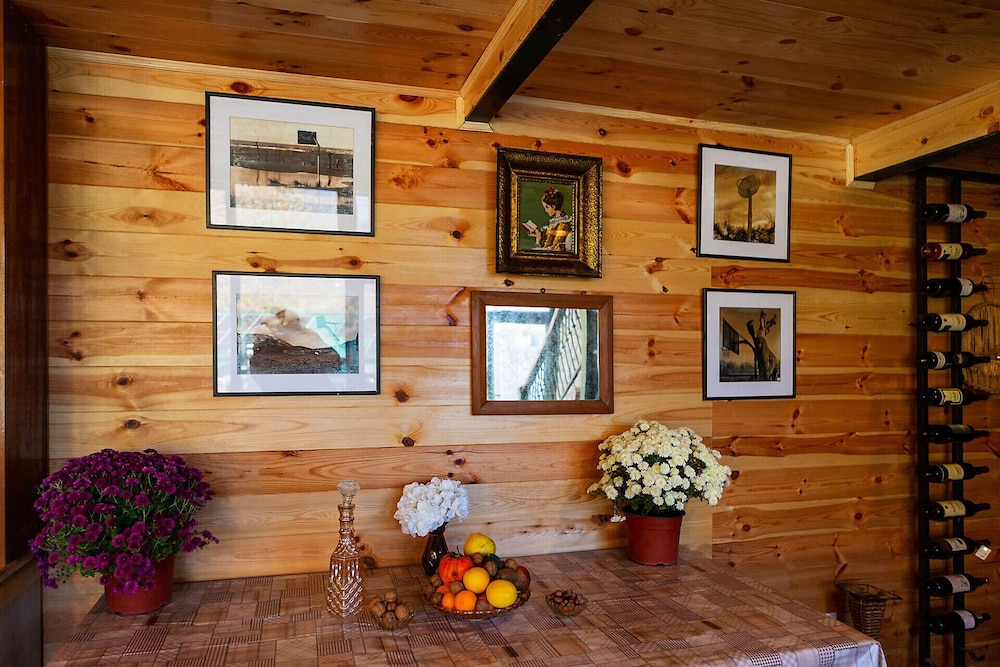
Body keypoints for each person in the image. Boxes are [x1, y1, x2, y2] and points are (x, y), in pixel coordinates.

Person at [525, 187, 573, 251]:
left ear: (553, 206)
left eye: (547, 207)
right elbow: (546, 245)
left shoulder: (563, 224)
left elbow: (555, 248)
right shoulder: (555, 221)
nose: (545, 210)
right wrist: (538, 236)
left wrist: (538, 250)